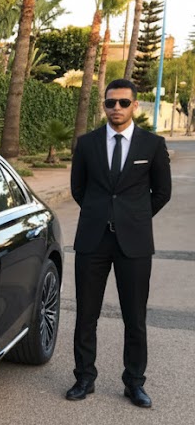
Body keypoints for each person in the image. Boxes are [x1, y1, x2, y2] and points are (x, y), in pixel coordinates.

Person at [67, 78, 171, 407]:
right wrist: (100, 214)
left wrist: (133, 217)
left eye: (123, 103)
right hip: (92, 240)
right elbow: (78, 189)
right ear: (104, 106)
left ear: (134, 106)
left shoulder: (152, 145)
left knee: (134, 317)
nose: (116, 108)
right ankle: (84, 378)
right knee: (86, 314)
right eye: (110, 102)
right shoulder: (87, 144)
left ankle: (134, 382)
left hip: (134, 243)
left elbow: (162, 192)